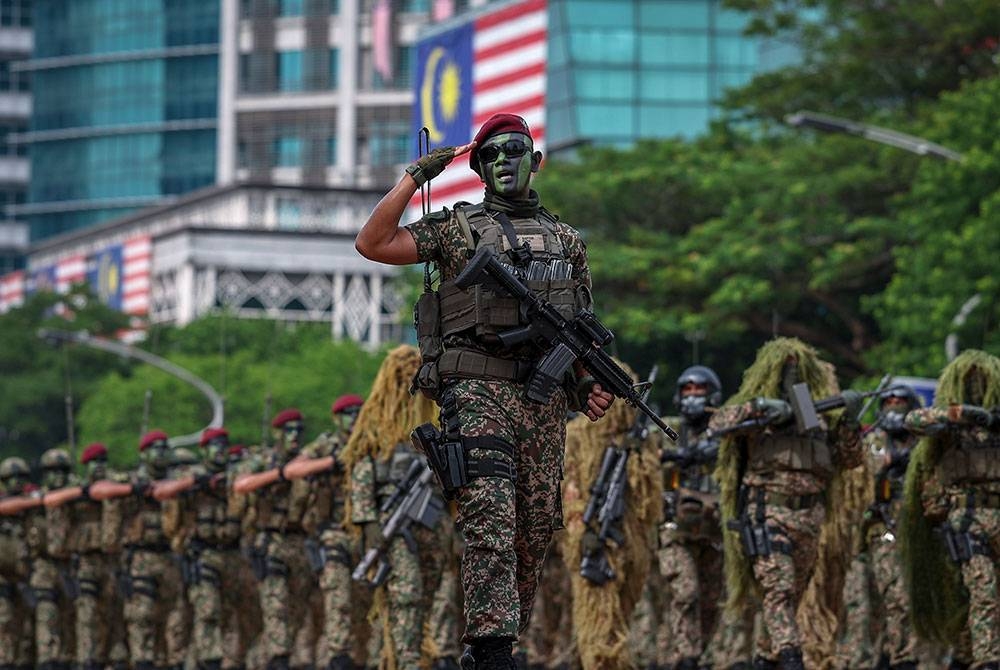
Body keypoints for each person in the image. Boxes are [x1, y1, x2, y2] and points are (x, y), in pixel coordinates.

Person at [355, 112, 612, 668]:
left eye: (515, 150)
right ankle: (492, 648)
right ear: (476, 168)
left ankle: (497, 644)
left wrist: (589, 381)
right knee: (490, 516)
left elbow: (581, 322)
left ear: (535, 161)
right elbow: (373, 243)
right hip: (477, 390)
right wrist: (411, 180)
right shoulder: (457, 228)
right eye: (491, 154)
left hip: (543, 401)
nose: (504, 161)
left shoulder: (567, 240)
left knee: (536, 526)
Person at [711, 337, 865, 669]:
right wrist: (762, 408)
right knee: (778, 590)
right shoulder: (757, 412)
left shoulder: (818, 418)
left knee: (788, 597)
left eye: (798, 369)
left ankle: (767, 658)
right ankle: (793, 659)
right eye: (786, 369)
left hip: (809, 519)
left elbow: (849, 461)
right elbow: (718, 424)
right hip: (767, 515)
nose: (792, 375)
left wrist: (850, 422)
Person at [901, 349, 1000, 669]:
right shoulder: (949, 425)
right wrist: (960, 414)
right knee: (982, 591)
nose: (976, 386)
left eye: (982, 381)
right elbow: (914, 420)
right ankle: (987, 662)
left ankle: (970, 654)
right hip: (967, 519)